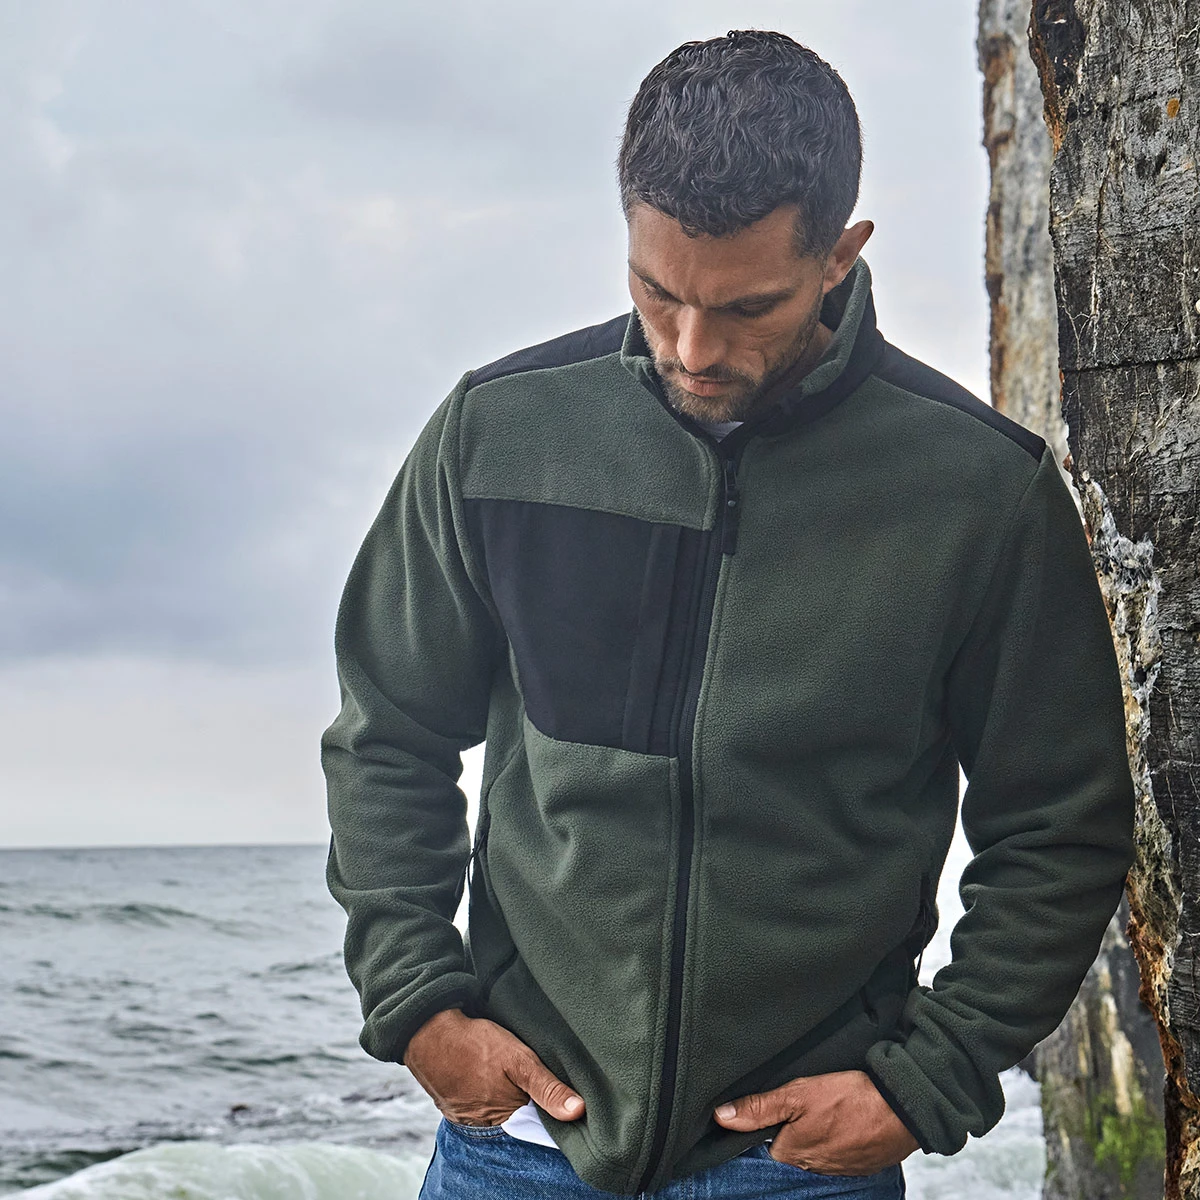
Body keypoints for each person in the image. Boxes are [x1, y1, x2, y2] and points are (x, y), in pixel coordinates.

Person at [321, 29, 1136, 1200]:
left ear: (840, 255)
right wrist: (417, 1005)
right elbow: (386, 733)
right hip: (515, 1147)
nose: (692, 349)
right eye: (657, 292)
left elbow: (1060, 821)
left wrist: (928, 1081)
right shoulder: (498, 435)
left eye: (749, 306)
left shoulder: (978, 494)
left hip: (800, 1161)